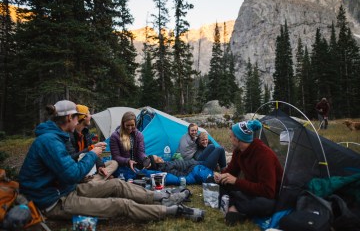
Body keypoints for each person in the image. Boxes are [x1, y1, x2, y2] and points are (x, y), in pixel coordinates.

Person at [19, 100, 204, 221]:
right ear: (70, 118)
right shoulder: (50, 141)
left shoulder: (57, 137)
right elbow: (73, 173)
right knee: (119, 204)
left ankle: (164, 197)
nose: (79, 122)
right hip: (53, 200)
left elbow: (68, 171)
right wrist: (93, 154)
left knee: (117, 185)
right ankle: (172, 211)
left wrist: (145, 159)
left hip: (65, 188)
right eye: (77, 118)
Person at [213, 120, 283, 226]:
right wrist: (221, 176)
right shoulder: (238, 151)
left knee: (261, 204)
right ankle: (235, 206)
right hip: (250, 190)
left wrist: (236, 181)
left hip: (269, 197)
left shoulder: (264, 156)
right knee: (216, 181)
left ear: (237, 139)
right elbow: (231, 171)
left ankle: (233, 206)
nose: (230, 139)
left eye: (231, 136)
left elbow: (268, 191)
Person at [68, 104, 118, 181]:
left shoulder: (86, 132)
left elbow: (94, 154)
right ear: (84, 117)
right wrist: (92, 148)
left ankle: (96, 178)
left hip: (89, 164)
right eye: (88, 113)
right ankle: (94, 180)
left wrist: (100, 167)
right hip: (78, 168)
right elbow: (73, 157)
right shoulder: (69, 136)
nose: (91, 116)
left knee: (114, 163)